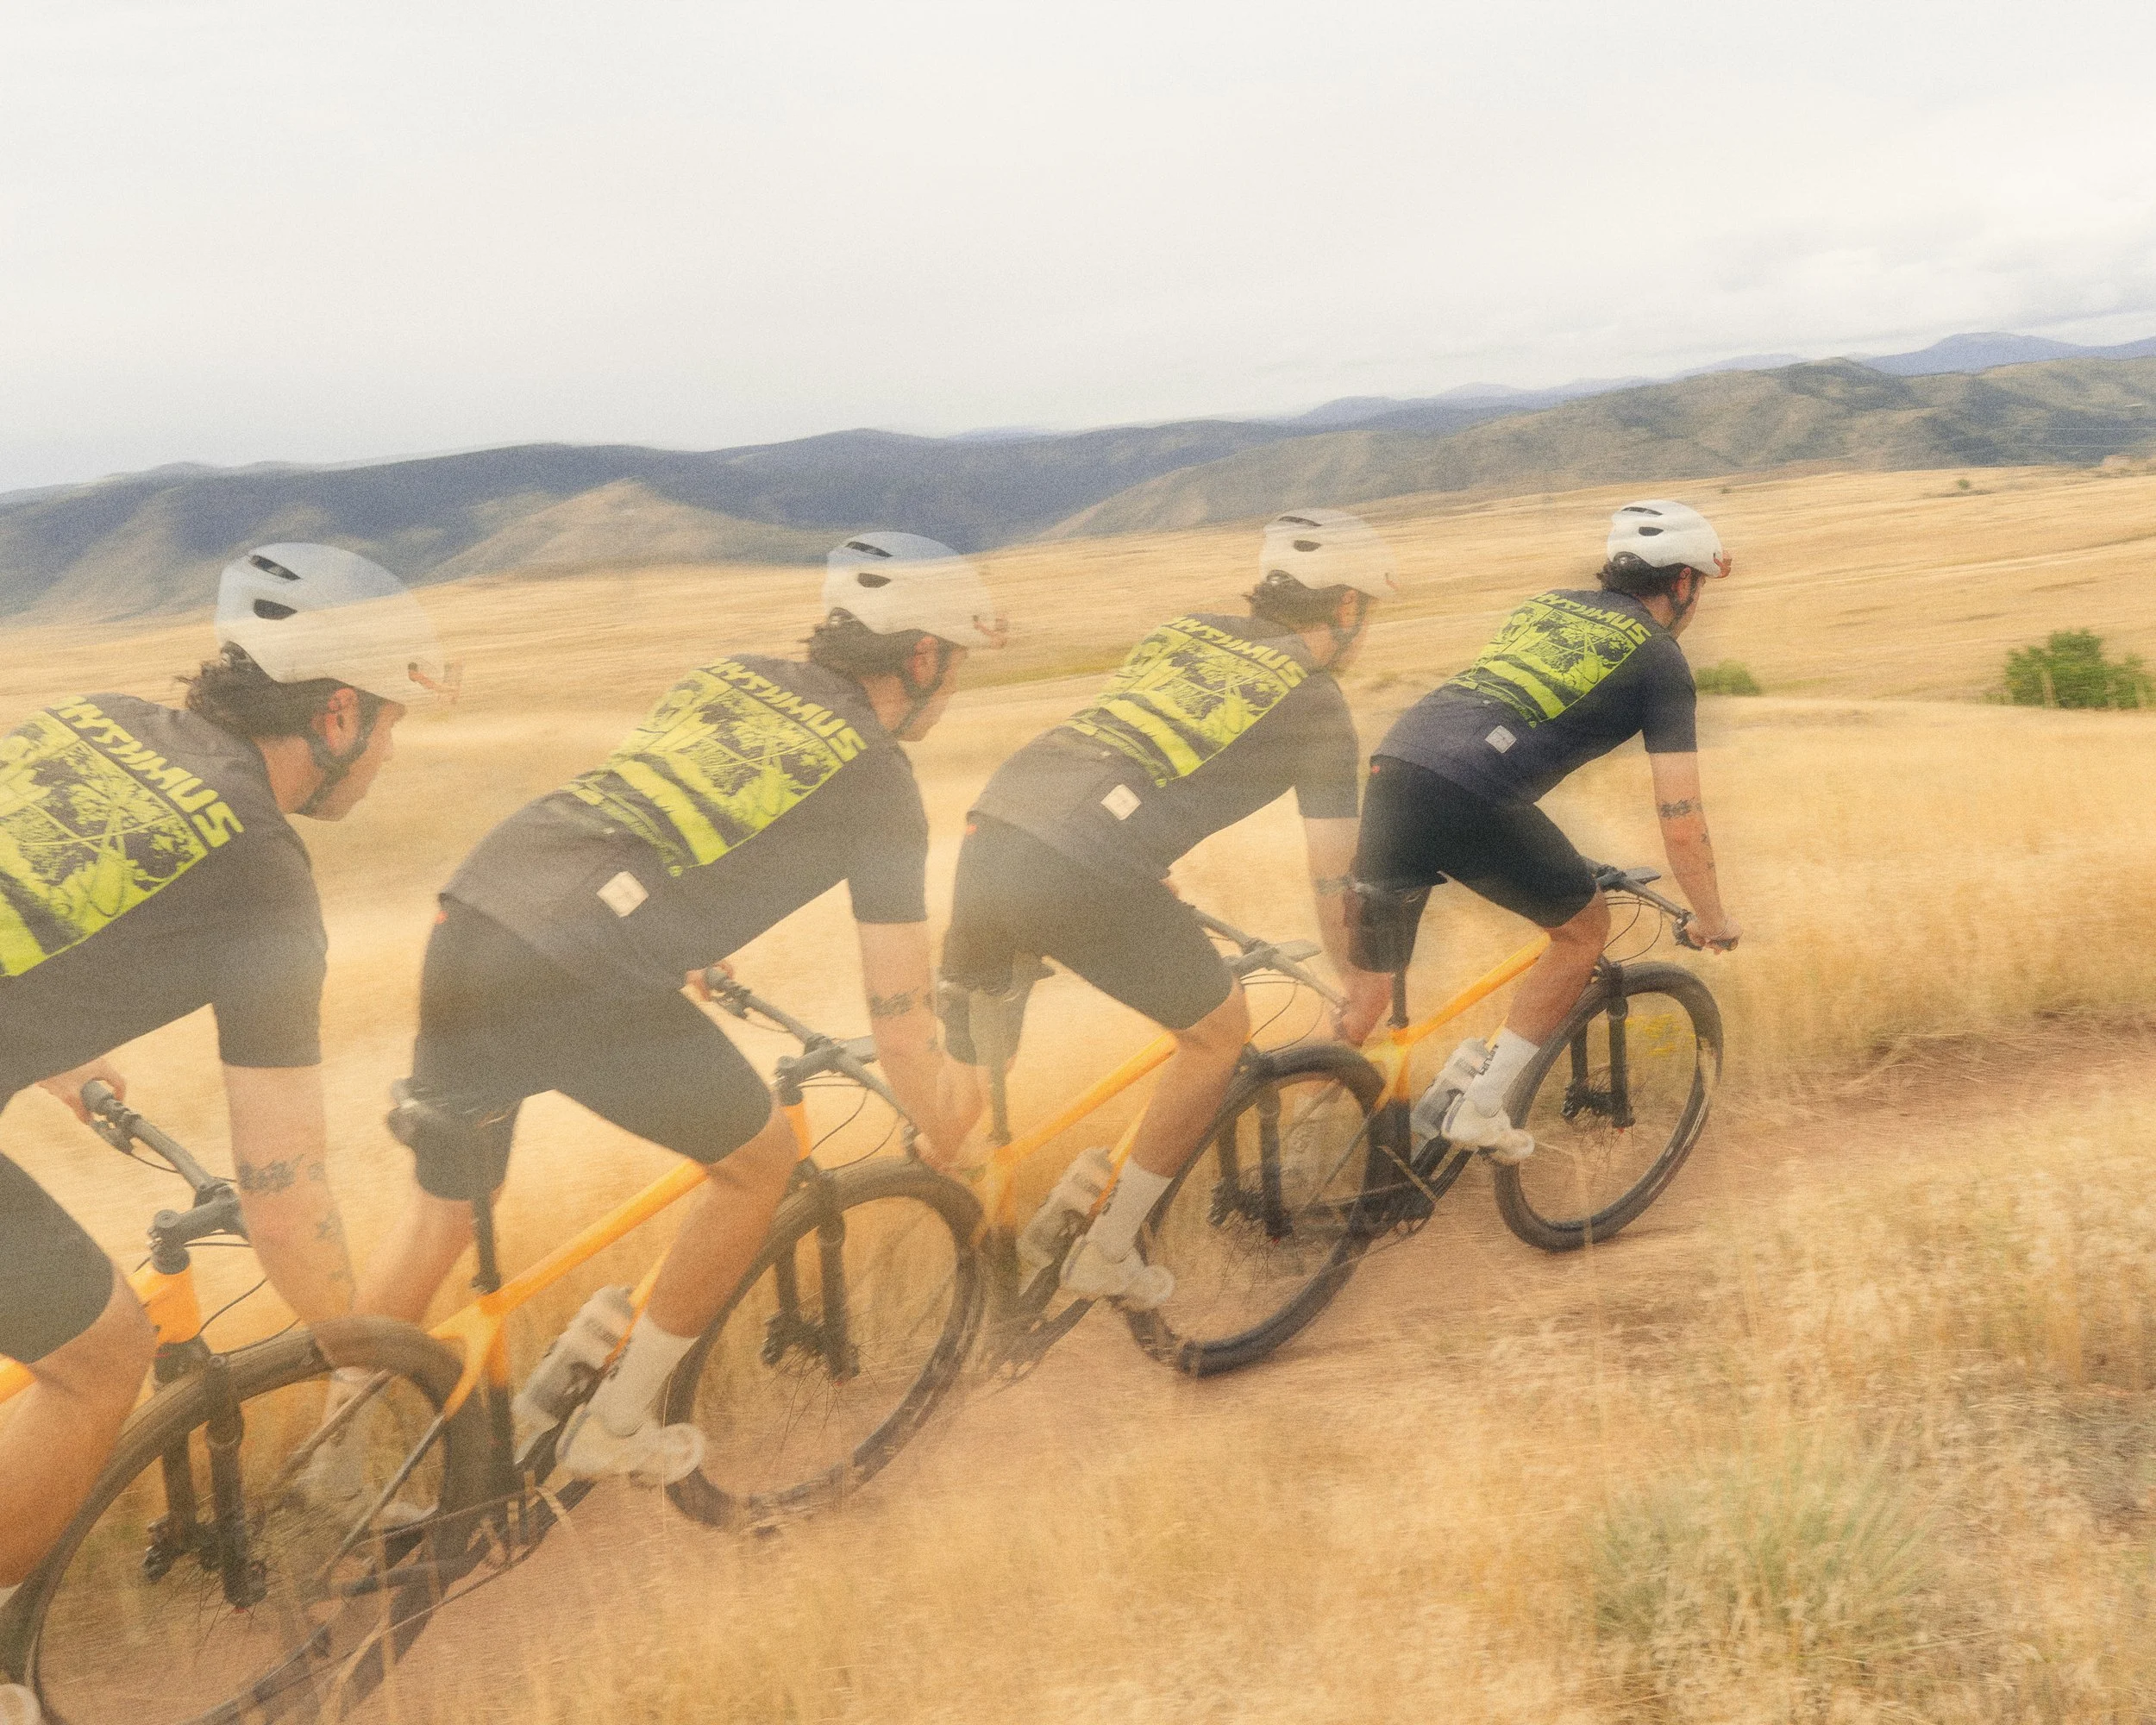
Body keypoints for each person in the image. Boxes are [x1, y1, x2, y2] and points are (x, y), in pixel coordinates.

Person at [351, 533, 1000, 1484]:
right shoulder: (880, 778)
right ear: (920, 656)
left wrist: (686, 936)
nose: (955, 682)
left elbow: (663, 812)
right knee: (759, 1163)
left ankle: (325, 1469)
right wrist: (949, 1124)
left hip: (478, 908)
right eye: (957, 659)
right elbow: (900, 1023)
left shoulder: (732, 675)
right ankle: (618, 1418)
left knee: (443, 1213)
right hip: (584, 968)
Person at [0, 544, 451, 1603]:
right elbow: (285, 1204)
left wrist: (55, 1038)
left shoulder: (93, 718)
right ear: (336, 715)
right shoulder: (261, 874)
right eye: (390, 721)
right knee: (103, 1354)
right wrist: (376, 1353)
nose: (388, 750)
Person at [940, 508, 1397, 1310]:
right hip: (1080, 863)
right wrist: (1359, 979)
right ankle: (1110, 1250)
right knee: (1217, 1032)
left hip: (994, 831)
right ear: (1349, 608)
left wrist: (1135, 858)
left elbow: (1140, 746)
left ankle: (941, 1247)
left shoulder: (1188, 630)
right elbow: (1333, 875)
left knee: (964, 1096)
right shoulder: (1318, 703)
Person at [1347, 499, 1742, 1160]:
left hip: (1395, 769)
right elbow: (1681, 820)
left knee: (1363, 998)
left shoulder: (1546, 606)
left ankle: (1280, 1151)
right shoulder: (1660, 660)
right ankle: (1479, 1105)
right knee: (1582, 930)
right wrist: (1712, 919)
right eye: (1698, 585)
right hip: (1470, 795)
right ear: (1682, 582)